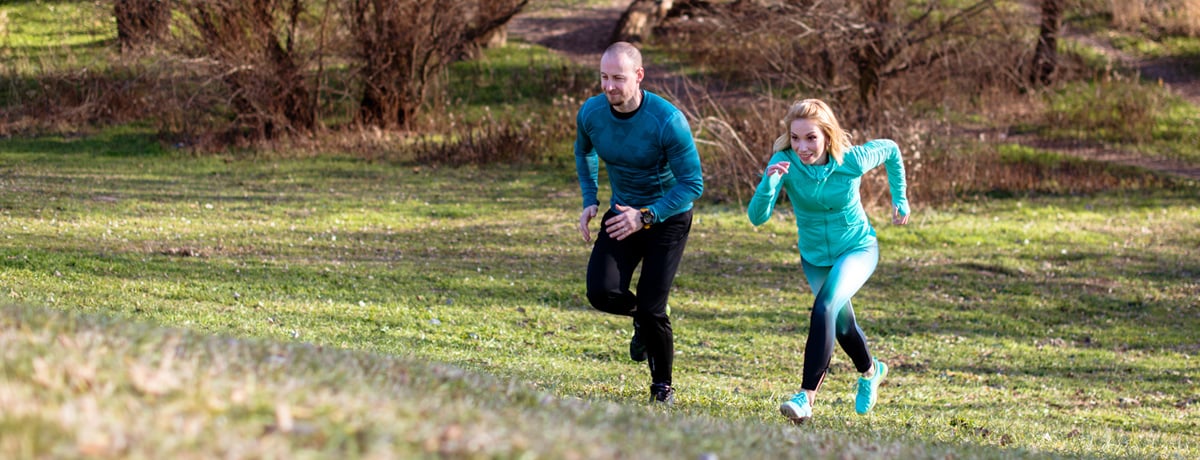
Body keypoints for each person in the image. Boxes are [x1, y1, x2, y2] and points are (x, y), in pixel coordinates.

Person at [747, 99, 910, 423]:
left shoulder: (850, 159)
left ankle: (805, 398)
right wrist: (769, 184)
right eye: (795, 138)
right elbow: (757, 217)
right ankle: (871, 370)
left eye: (811, 138)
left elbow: (891, 150)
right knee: (843, 326)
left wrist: (900, 197)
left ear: (827, 135)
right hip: (815, 258)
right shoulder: (785, 163)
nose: (802, 146)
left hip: (856, 249)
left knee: (824, 307)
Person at [574, 41, 704, 404]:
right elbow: (583, 150)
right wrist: (590, 199)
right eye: (604, 77)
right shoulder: (592, 113)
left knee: (652, 307)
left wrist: (645, 216)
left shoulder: (667, 121)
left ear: (639, 76)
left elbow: (693, 184)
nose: (609, 86)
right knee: (601, 293)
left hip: (668, 218)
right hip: (621, 213)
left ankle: (662, 387)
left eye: (618, 78)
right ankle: (643, 321)